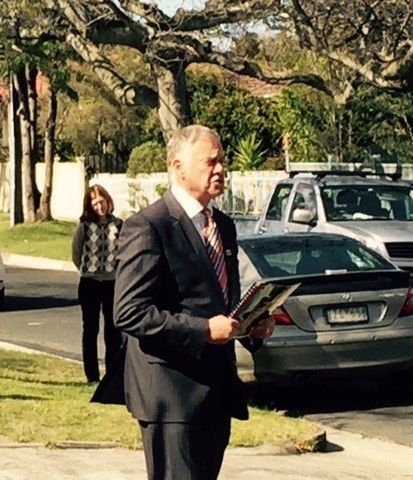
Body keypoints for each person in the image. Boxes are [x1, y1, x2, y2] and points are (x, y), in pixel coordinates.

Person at [98, 125, 274, 480]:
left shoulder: (222, 225)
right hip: (171, 394)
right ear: (179, 167)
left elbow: (222, 300)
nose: (221, 169)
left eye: (222, 161)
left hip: (216, 389)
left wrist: (252, 326)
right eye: (210, 162)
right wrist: (203, 330)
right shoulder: (149, 226)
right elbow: (130, 312)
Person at [71, 185, 123, 383]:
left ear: (108, 202)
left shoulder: (119, 225)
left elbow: (124, 252)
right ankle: (92, 375)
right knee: (90, 329)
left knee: (113, 329)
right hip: (90, 283)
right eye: (95, 203)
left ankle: (112, 374)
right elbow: (76, 254)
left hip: (112, 283)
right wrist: (87, 270)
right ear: (90, 206)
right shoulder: (84, 226)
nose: (99, 206)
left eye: (102, 201)